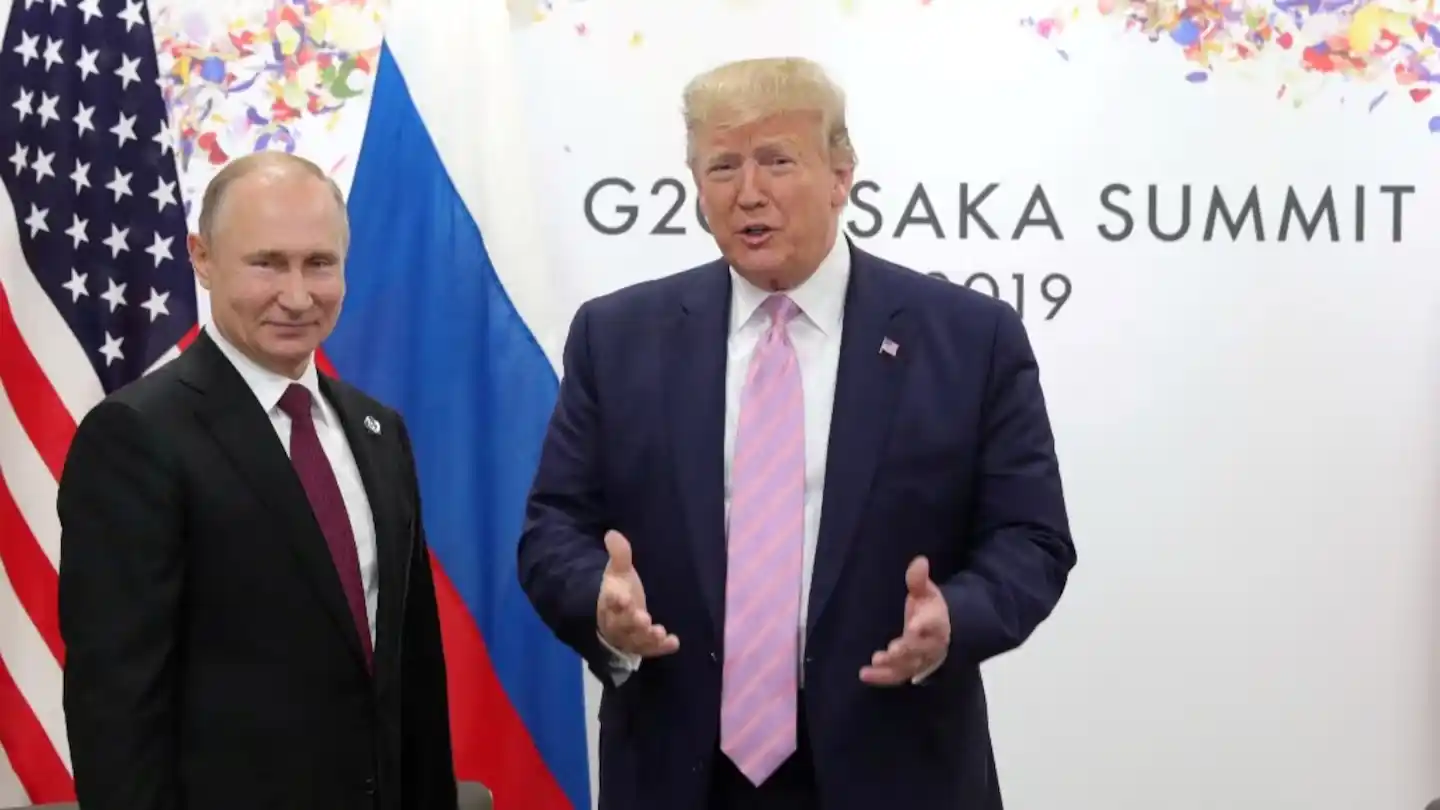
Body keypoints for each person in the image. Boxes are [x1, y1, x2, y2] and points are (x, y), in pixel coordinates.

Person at [517, 56, 1077, 810]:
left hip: (897, 764)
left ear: (841, 174)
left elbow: (1031, 538)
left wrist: (956, 615)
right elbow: (555, 528)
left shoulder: (969, 339)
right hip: (679, 771)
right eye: (722, 166)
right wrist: (599, 602)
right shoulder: (617, 338)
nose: (749, 192)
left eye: (777, 160)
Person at [57, 152, 457, 810]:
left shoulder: (378, 431)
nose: (298, 295)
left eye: (319, 264)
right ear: (203, 258)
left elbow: (413, 678)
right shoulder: (134, 437)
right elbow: (117, 709)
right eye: (267, 263)